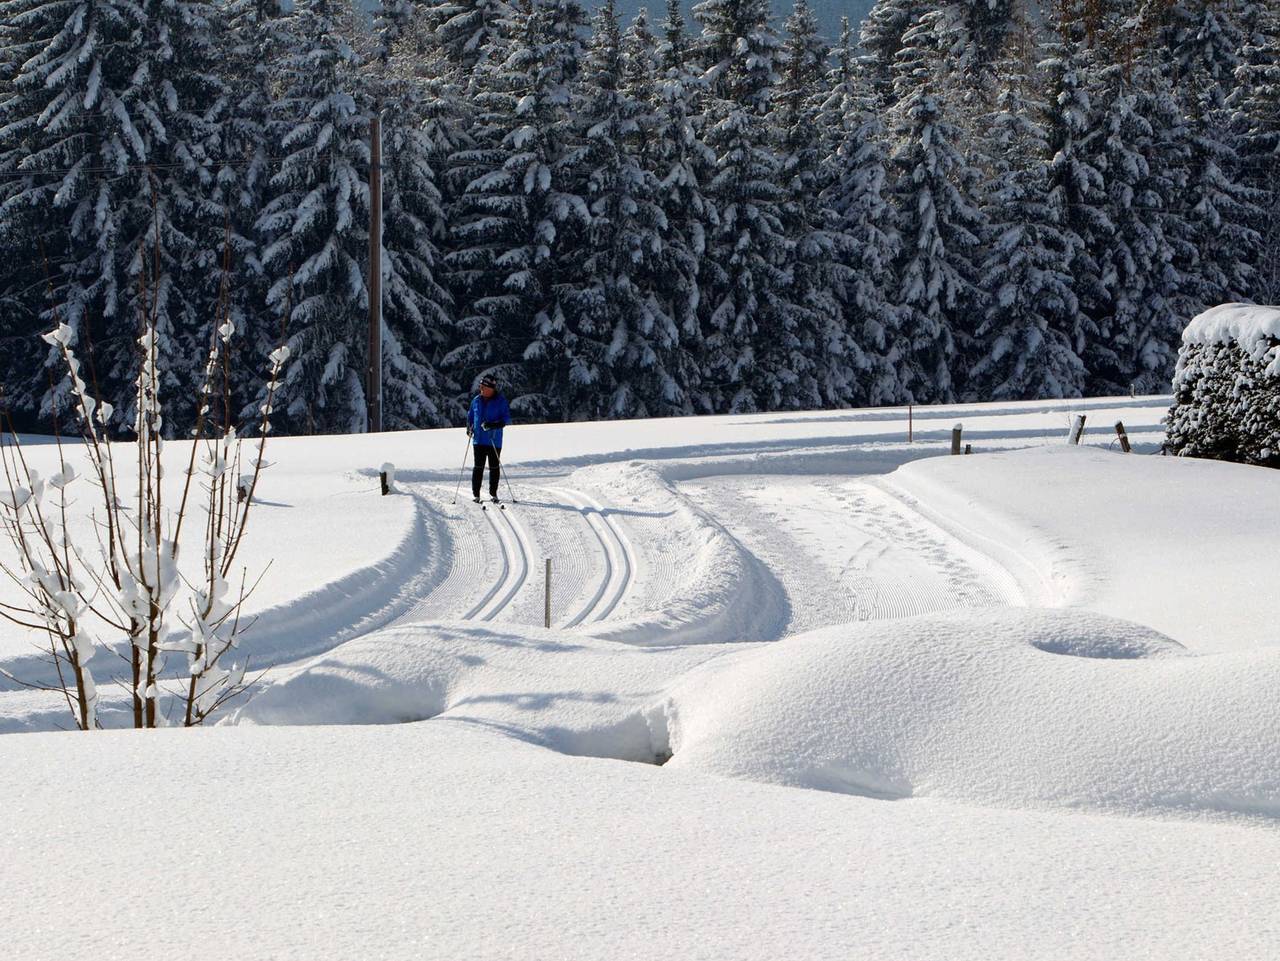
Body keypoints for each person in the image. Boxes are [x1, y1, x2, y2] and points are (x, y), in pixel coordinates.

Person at [468, 375, 512, 503]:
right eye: (480, 386)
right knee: (478, 467)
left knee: (494, 467)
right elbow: (470, 416)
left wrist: (493, 425)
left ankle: (493, 493)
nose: (481, 389)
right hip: (479, 440)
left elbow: (506, 419)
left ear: (491, 388)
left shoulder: (500, 401)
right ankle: (476, 494)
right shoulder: (476, 400)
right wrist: (469, 428)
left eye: (483, 387)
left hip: (494, 440)